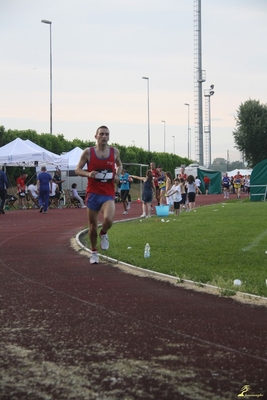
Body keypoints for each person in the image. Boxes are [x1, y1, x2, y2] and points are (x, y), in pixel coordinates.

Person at [75, 125, 123, 264]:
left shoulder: (114, 152)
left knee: (108, 220)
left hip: (108, 193)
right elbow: (77, 170)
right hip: (93, 193)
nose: (104, 136)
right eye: (101, 134)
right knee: (92, 226)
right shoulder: (88, 152)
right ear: (95, 136)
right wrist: (88, 174)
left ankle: (104, 234)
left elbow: (119, 165)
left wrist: (117, 175)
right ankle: (94, 252)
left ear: (109, 137)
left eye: (106, 134)